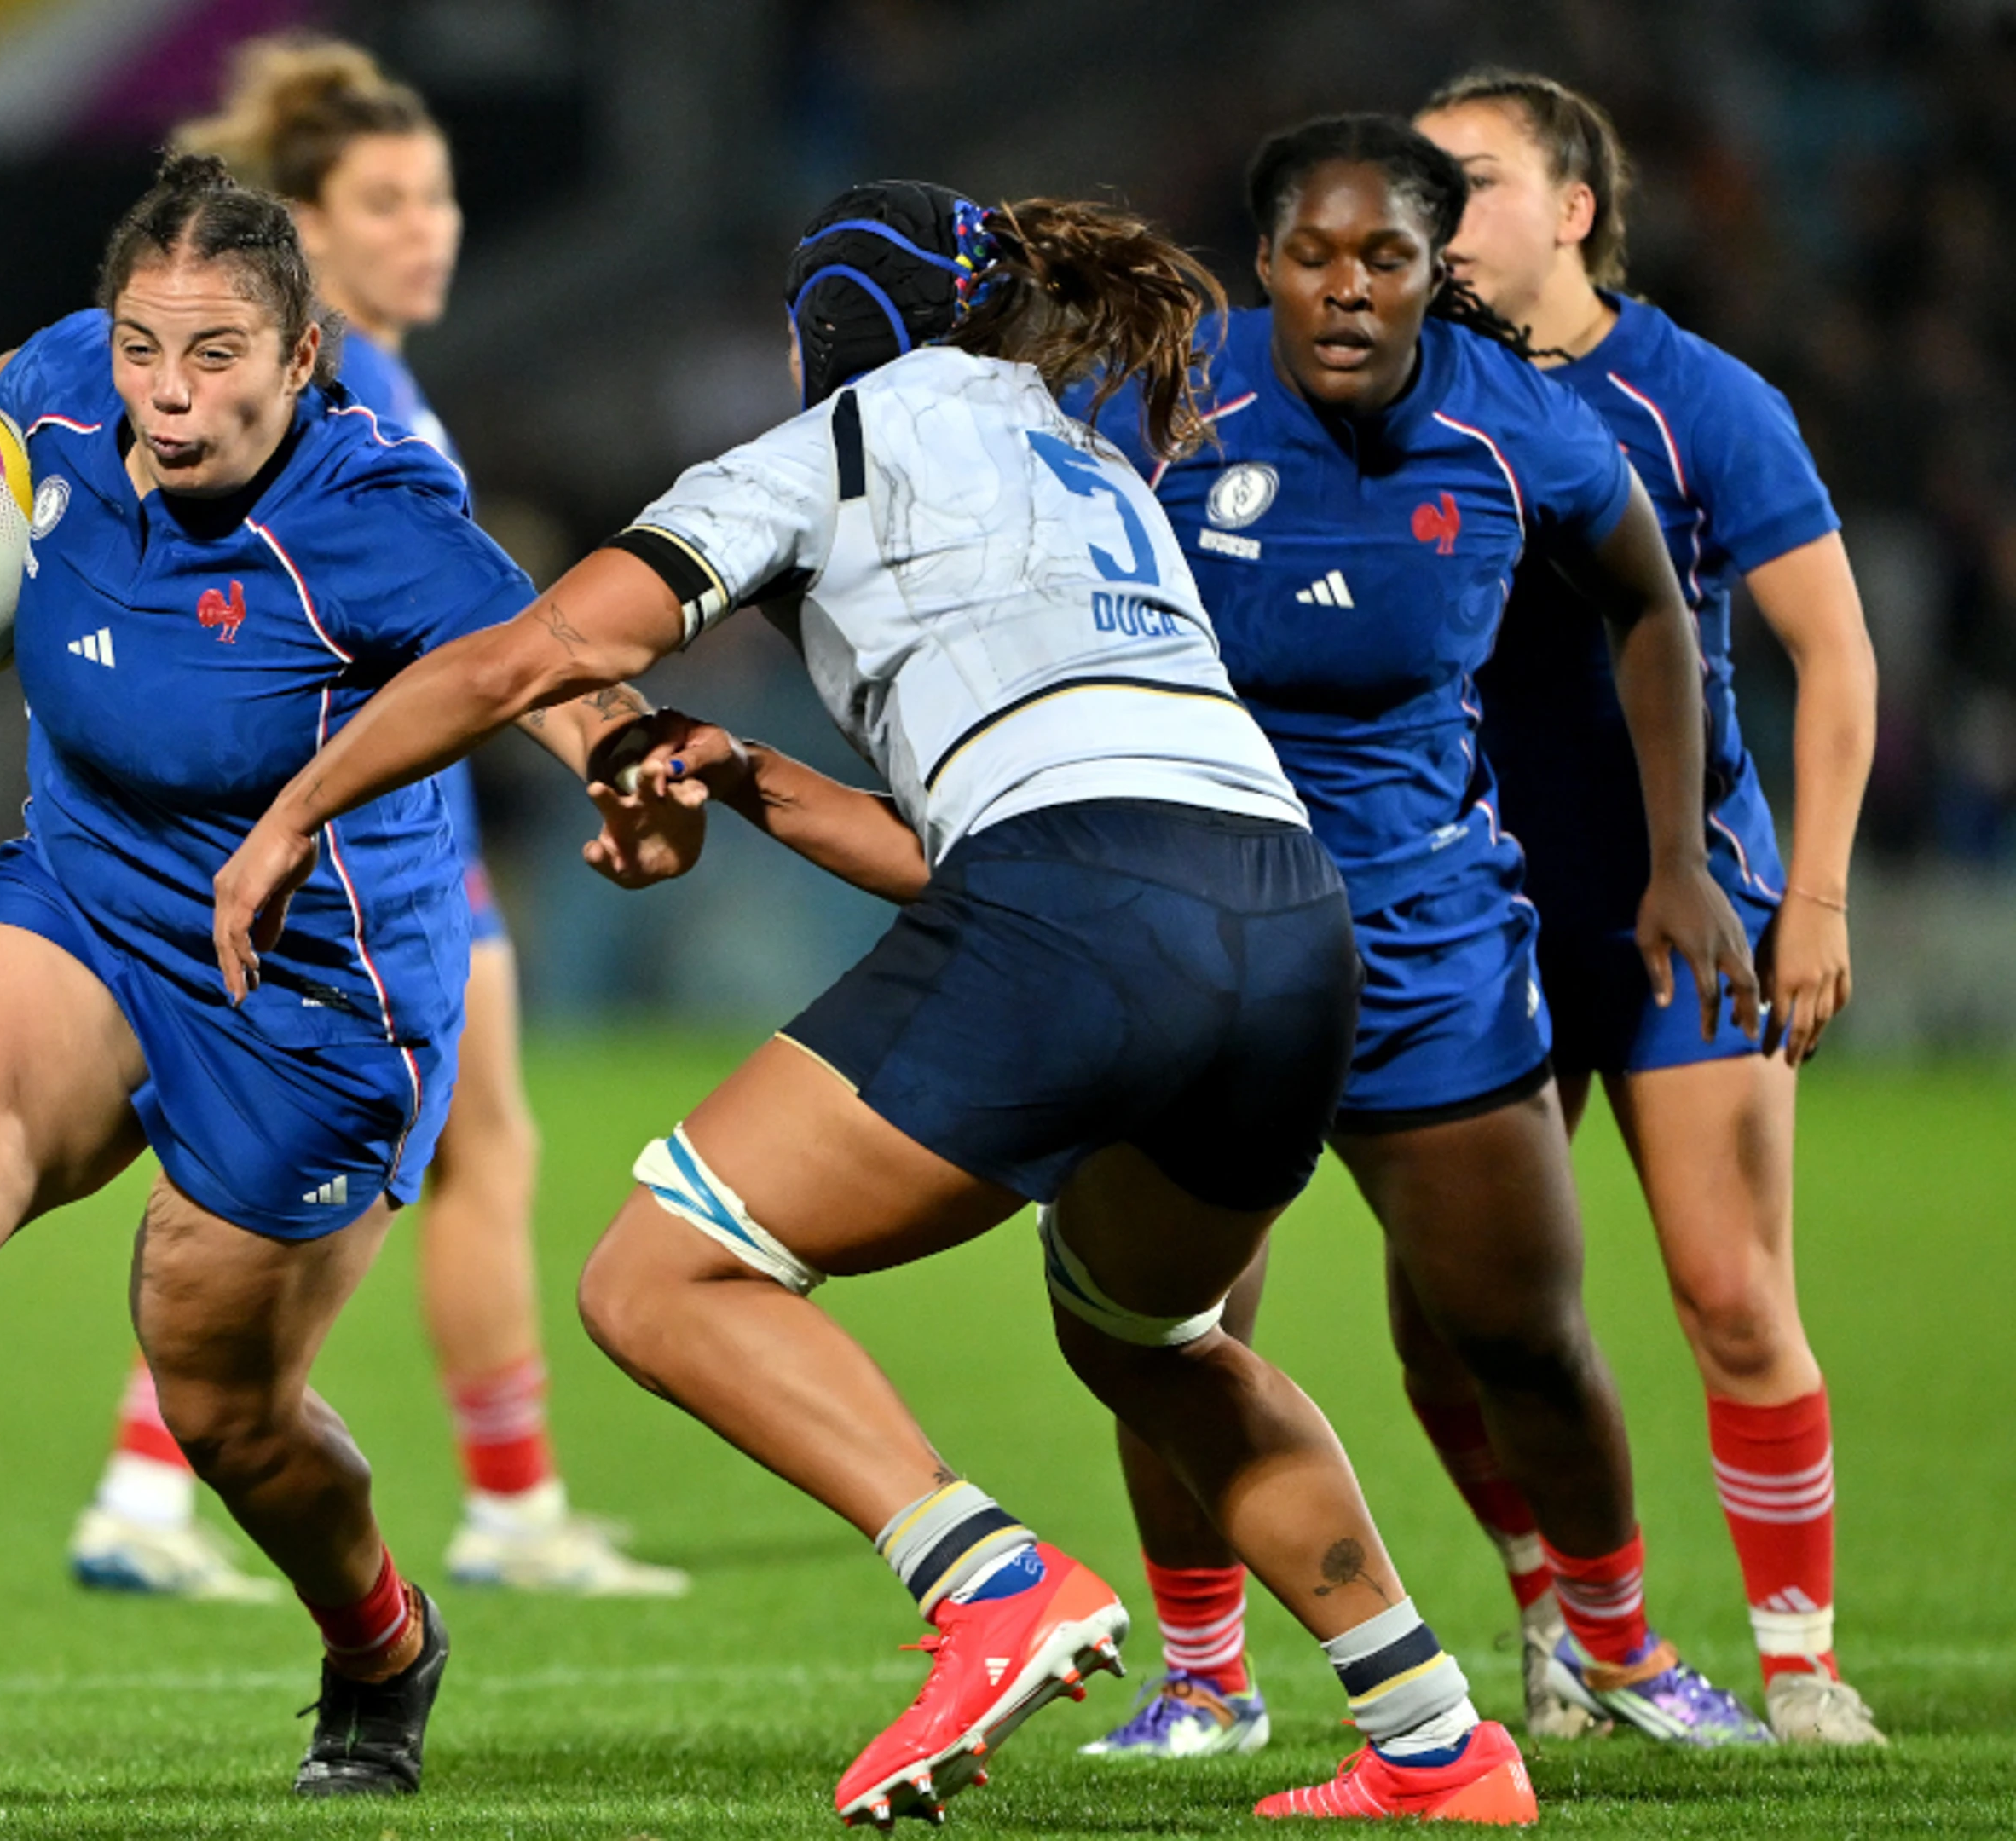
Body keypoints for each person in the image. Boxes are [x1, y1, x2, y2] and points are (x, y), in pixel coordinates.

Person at [215, 178, 1541, 1827]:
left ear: (824, 329)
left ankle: (986, 1581)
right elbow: (981, 838)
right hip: (1288, 926)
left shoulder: (831, 440)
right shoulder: (1092, 464)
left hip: (1091, 904)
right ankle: (1438, 1745)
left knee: (659, 1276)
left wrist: (287, 820)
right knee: (1154, 1336)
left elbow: (523, 653)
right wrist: (753, 775)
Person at [0, 153, 679, 1812]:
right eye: (145, 348)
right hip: (84, 902)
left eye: (216, 355)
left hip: (311, 1004)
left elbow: (542, 662)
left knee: (226, 1413)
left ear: (302, 359)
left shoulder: (378, 520)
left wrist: (626, 765)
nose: (168, 394)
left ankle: (382, 1646)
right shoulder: (75, 383)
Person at [1069, 115, 1772, 1763]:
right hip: (1193, 940)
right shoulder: (1163, 397)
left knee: (1522, 1334)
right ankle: (1205, 1680)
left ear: (1429, 269)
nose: (1346, 289)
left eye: (1385, 256)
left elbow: (1654, 608)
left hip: (1426, 939)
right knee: (1177, 1334)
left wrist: (1682, 858)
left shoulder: (1522, 422)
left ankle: (1623, 1650)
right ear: (1265, 265)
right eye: (1312, 254)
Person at [59, 32, 683, 1604]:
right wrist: (606, 745)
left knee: (423, 1166)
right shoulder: (345, 390)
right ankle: (478, 1500)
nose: (432, 231)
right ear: (309, 243)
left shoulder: (381, 381)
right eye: (389, 203)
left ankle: (183, 1484)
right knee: (408, 1166)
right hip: (370, 853)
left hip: (385, 829)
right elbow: (476, 640)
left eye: (441, 199)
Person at [1413, 69, 1885, 1746]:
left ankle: (1803, 1661)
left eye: (1465, 182)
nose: (1431, 214)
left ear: (1573, 208)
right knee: (1465, 1317)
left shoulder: (1699, 400)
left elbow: (1834, 651)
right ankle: (1561, 1633)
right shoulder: (1401, 391)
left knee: (1734, 1293)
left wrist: (1812, 893)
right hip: (1471, 914)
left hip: (1688, 906)